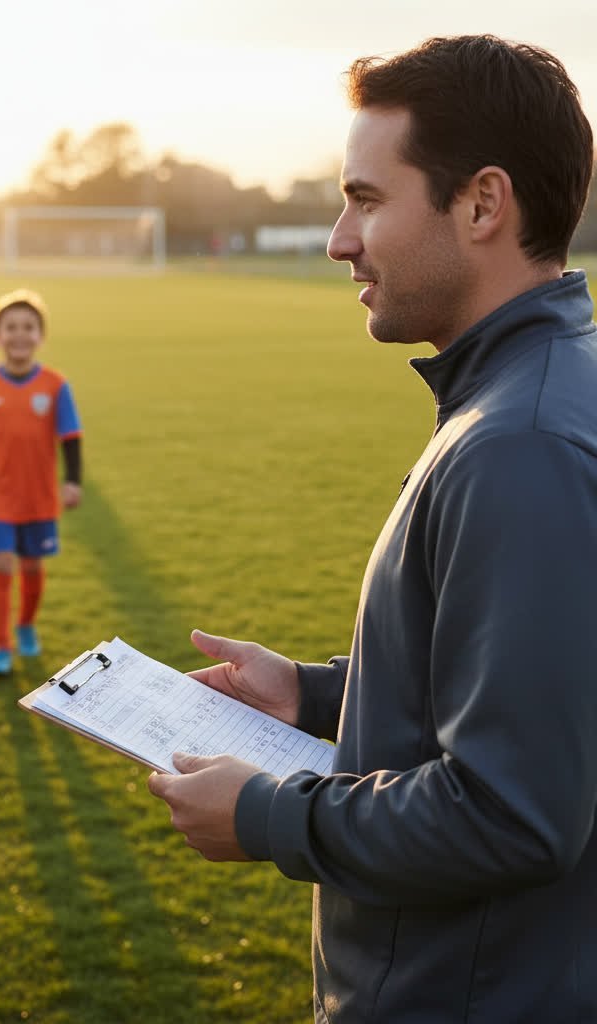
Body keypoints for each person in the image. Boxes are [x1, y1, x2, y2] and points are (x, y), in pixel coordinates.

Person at [148, 35, 597, 1024]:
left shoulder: (519, 443)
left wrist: (266, 814)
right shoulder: (533, 397)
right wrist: (313, 694)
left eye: (365, 200)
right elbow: (536, 685)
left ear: (481, 204)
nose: (338, 240)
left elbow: (513, 814)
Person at [0, 289, 82, 676]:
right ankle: (1, 647)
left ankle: (26, 625)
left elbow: (71, 437)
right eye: (10, 327)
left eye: (28, 327)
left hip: (38, 495)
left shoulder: (56, 385)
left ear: (40, 335)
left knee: (31, 566)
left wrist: (73, 481)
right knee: (1, 563)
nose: (19, 335)